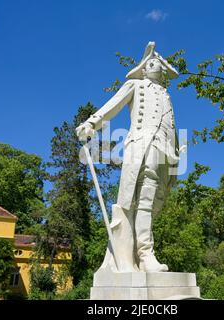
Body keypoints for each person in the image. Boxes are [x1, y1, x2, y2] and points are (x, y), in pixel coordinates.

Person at [76, 42, 182, 272]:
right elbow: (113, 105)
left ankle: (142, 253)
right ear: (143, 68)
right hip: (142, 144)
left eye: (162, 66)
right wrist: (92, 123)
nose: (160, 69)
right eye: (154, 63)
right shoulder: (135, 85)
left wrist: (176, 159)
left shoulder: (166, 95)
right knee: (141, 199)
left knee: (154, 201)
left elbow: (172, 128)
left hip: (164, 149)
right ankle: (145, 255)